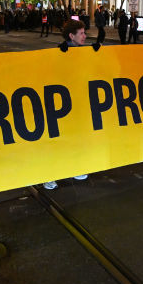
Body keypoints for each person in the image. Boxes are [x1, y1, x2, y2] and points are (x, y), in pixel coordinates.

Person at [44, 19, 93, 190]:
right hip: (60, 104)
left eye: (85, 33)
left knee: (76, 137)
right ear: (71, 36)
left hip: (78, 102)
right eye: (82, 34)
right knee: (59, 140)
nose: (85, 37)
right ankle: (50, 174)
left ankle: (75, 167)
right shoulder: (59, 51)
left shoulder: (83, 52)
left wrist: (97, 54)